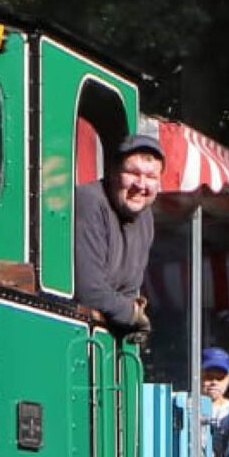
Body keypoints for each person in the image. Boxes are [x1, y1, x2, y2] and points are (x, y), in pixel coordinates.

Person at [72, 132, 163, 332]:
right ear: (113, 172)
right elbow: (89, 291)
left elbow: (130, 290)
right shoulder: (90, 202)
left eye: (150, 177)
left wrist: (129, 312)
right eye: (132, 173)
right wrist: (133, 314)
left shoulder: (146, 218)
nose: (140, 185)